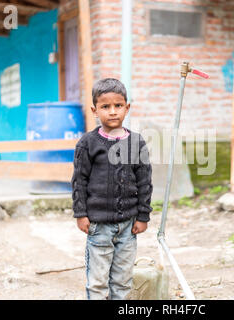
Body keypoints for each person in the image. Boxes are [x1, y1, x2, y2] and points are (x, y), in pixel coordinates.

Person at [71, 78, 153, 300]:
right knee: (97, 283)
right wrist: (81, 214)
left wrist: (143, 216)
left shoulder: (137, 143)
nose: (113, 111)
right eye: (105, 106)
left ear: (127, 108)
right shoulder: (87, 143)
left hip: (128, 226)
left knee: (123, 281)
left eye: (118, 105)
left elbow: (145, 182)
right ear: (94, 110)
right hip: (98, 226)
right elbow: (79, 180)